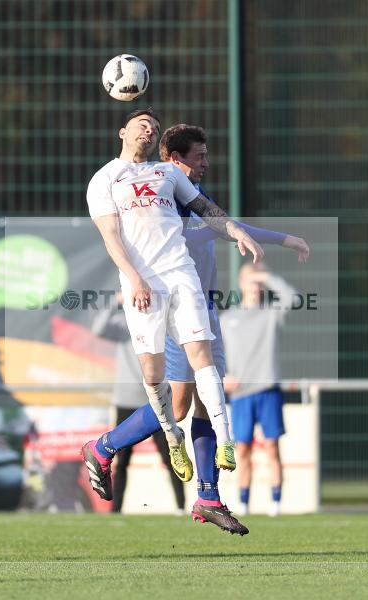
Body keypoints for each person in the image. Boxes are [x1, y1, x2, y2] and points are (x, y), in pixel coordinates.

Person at [85, 124, 310, 534]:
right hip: (175, 310)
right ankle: (106, 446)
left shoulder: (190, 198)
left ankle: (208, 496)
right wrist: (280, 238)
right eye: (199, 156)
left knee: (204, 399)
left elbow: (228, 225)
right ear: (175, 159)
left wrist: (283, 239)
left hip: (204, 308)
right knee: (182, 403)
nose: (206, 162)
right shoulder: (163, 197)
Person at [91, 292, 185, 514]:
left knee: (172, 453)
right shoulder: (123, 324)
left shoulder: (159, 322)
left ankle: (181, 507)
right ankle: (116, 510)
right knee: (121, 460)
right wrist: (115, 301)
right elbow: (97, 328)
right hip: (126, 400)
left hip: (156, 399)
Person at [221, 262, 298, 517]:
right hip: (241, 394)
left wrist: (266, 274)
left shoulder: (271, 314)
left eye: (258, 282)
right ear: (241, 284)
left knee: (272, 446)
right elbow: (216, 355)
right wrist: (224, 377)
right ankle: (243, 503)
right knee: (242, 449)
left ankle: (275, 504)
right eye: (250, 280)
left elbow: (291, 298)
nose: (254, 286)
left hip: (268, 389)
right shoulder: (228, 318)